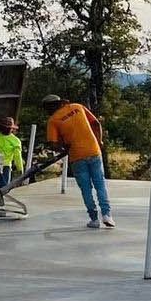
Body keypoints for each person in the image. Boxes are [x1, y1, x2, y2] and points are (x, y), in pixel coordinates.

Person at [41, 93, 114, 227]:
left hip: (76, 157)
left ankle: (94, 219)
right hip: (94, 151)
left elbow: (53, 143)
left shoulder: (53, 120)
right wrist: (99, 141)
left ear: (49, 107)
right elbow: (96, 124)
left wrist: (63, 147)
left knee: (86, 189)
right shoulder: (78, 107)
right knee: (100, 184)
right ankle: (107, 215)